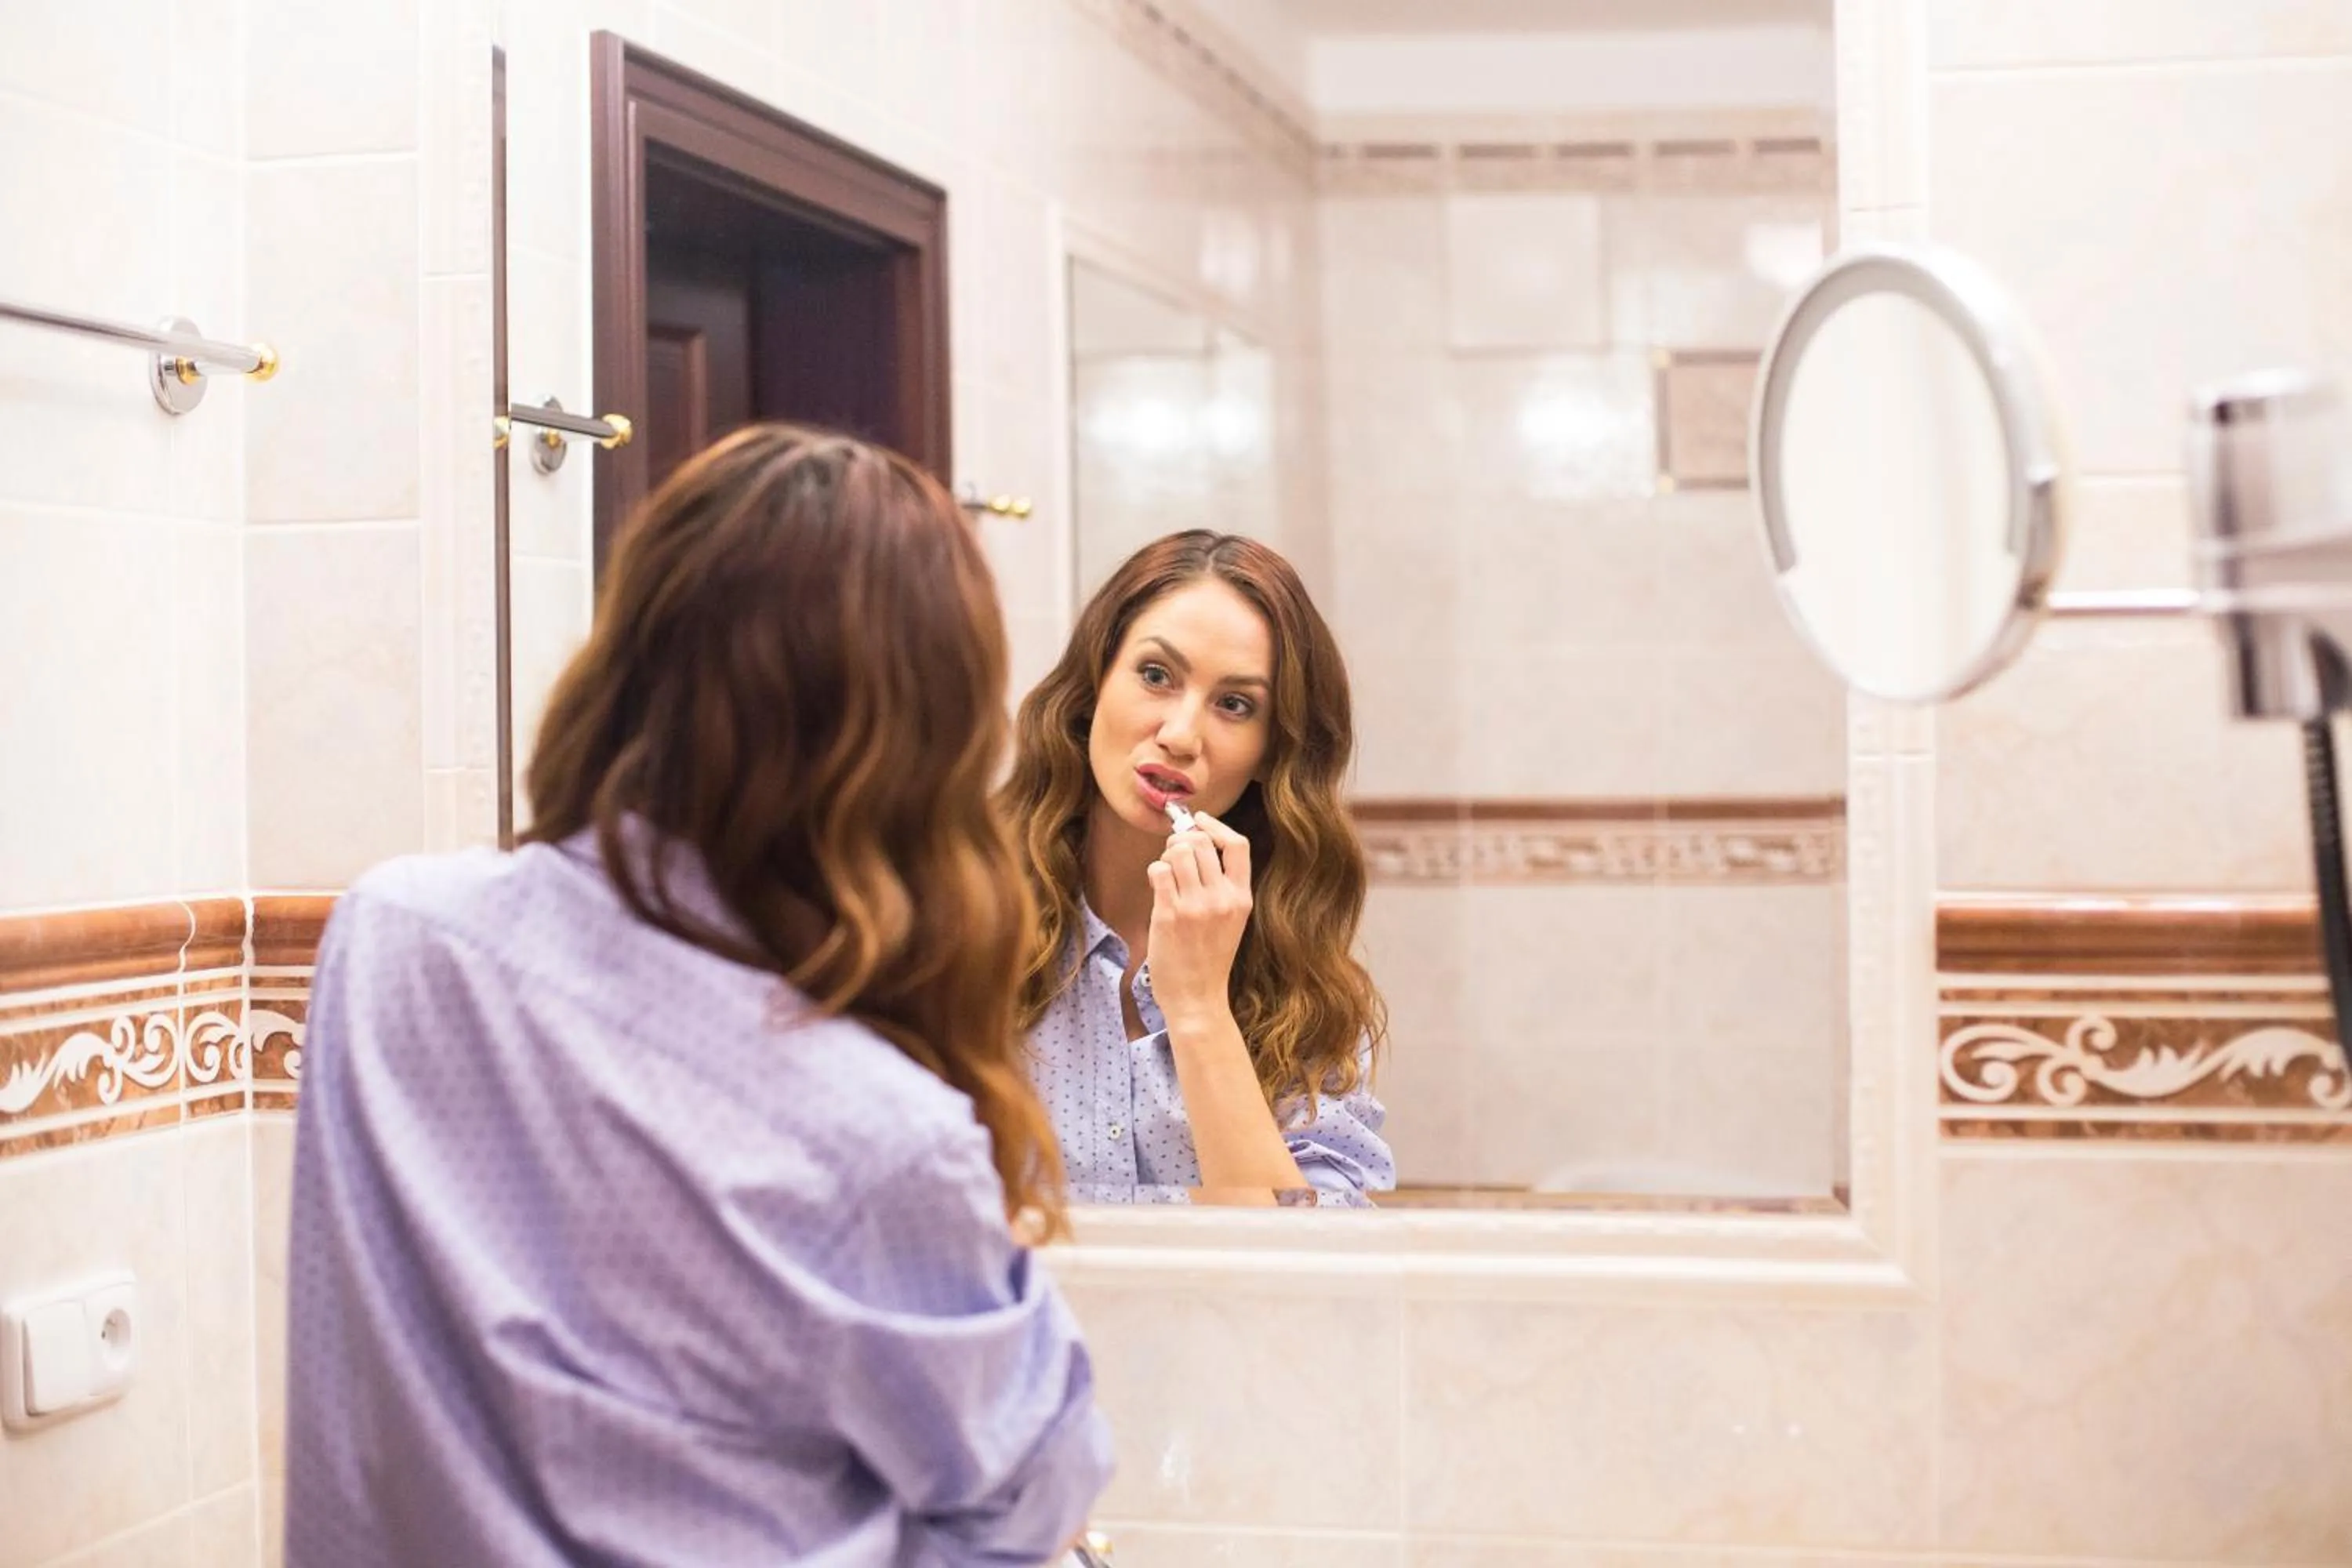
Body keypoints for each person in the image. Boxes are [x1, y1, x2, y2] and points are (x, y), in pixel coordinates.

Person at [283, 426, 1114, 1566]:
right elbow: (1031, 1499)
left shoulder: (391, 940)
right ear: (925, 749)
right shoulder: (874, 1135)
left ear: (630, 656)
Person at [999, 530, 1393, 1205]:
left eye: (1235, 705)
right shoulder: (959, 919)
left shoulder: (1305, 985)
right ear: (1094, 684)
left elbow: (1303, 1272)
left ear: (1273, 753)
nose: (1180, 735)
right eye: (1156, 676)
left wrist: (1200, 1009)